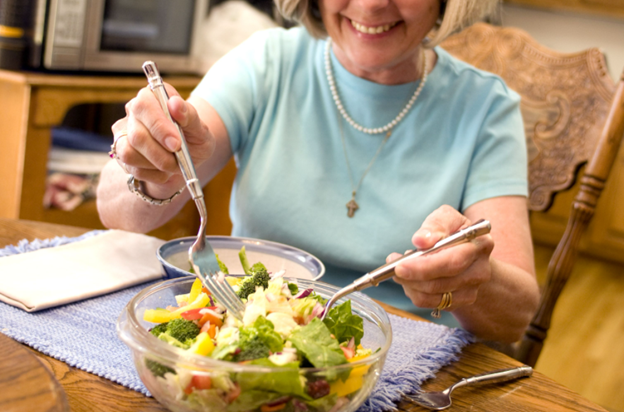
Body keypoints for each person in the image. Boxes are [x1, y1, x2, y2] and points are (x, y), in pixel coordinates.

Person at [97, 0, 540, 343]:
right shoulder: (266, 62)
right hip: (248, 340)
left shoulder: (486, 109)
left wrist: (470, 278)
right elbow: (118, 212)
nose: (369, 7)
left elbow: (515, 317)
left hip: (407, 365)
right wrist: (153, 163)